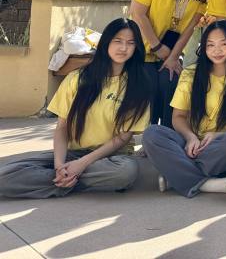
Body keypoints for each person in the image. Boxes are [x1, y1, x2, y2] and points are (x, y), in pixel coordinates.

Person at [0, 18, 150, 198]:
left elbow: (123, 138)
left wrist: (81, 165)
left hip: (110, 157)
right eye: (117, 41)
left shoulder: (138, 85)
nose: (123, 48)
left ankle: (60, 181)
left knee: (125, 172)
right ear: (106, 42)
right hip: (72, 154)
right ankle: (64, 179)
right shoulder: (78, 78)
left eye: (130, 43)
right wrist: (59, 165)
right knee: (5, 175)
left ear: (136, 48)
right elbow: (62, 127)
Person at [142, 21, 226, 196]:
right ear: (203, 48)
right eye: (211, 45)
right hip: (190, 143)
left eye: (224, 44)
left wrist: (217, 136)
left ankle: (177, 174)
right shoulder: (190, 74)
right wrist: (190, 137)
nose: (217, 50)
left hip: (221, 145)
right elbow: (178, 117)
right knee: (152, 134)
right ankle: (207, 183)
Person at [130, 0, 211, 128]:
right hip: (144, 46)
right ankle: (148, 133)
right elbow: (138, 13)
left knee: (171, 82)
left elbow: (191, 27)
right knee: (149, 86)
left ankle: (166, 134)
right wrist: (158, 47)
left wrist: (173, 57)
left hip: (174, 50)